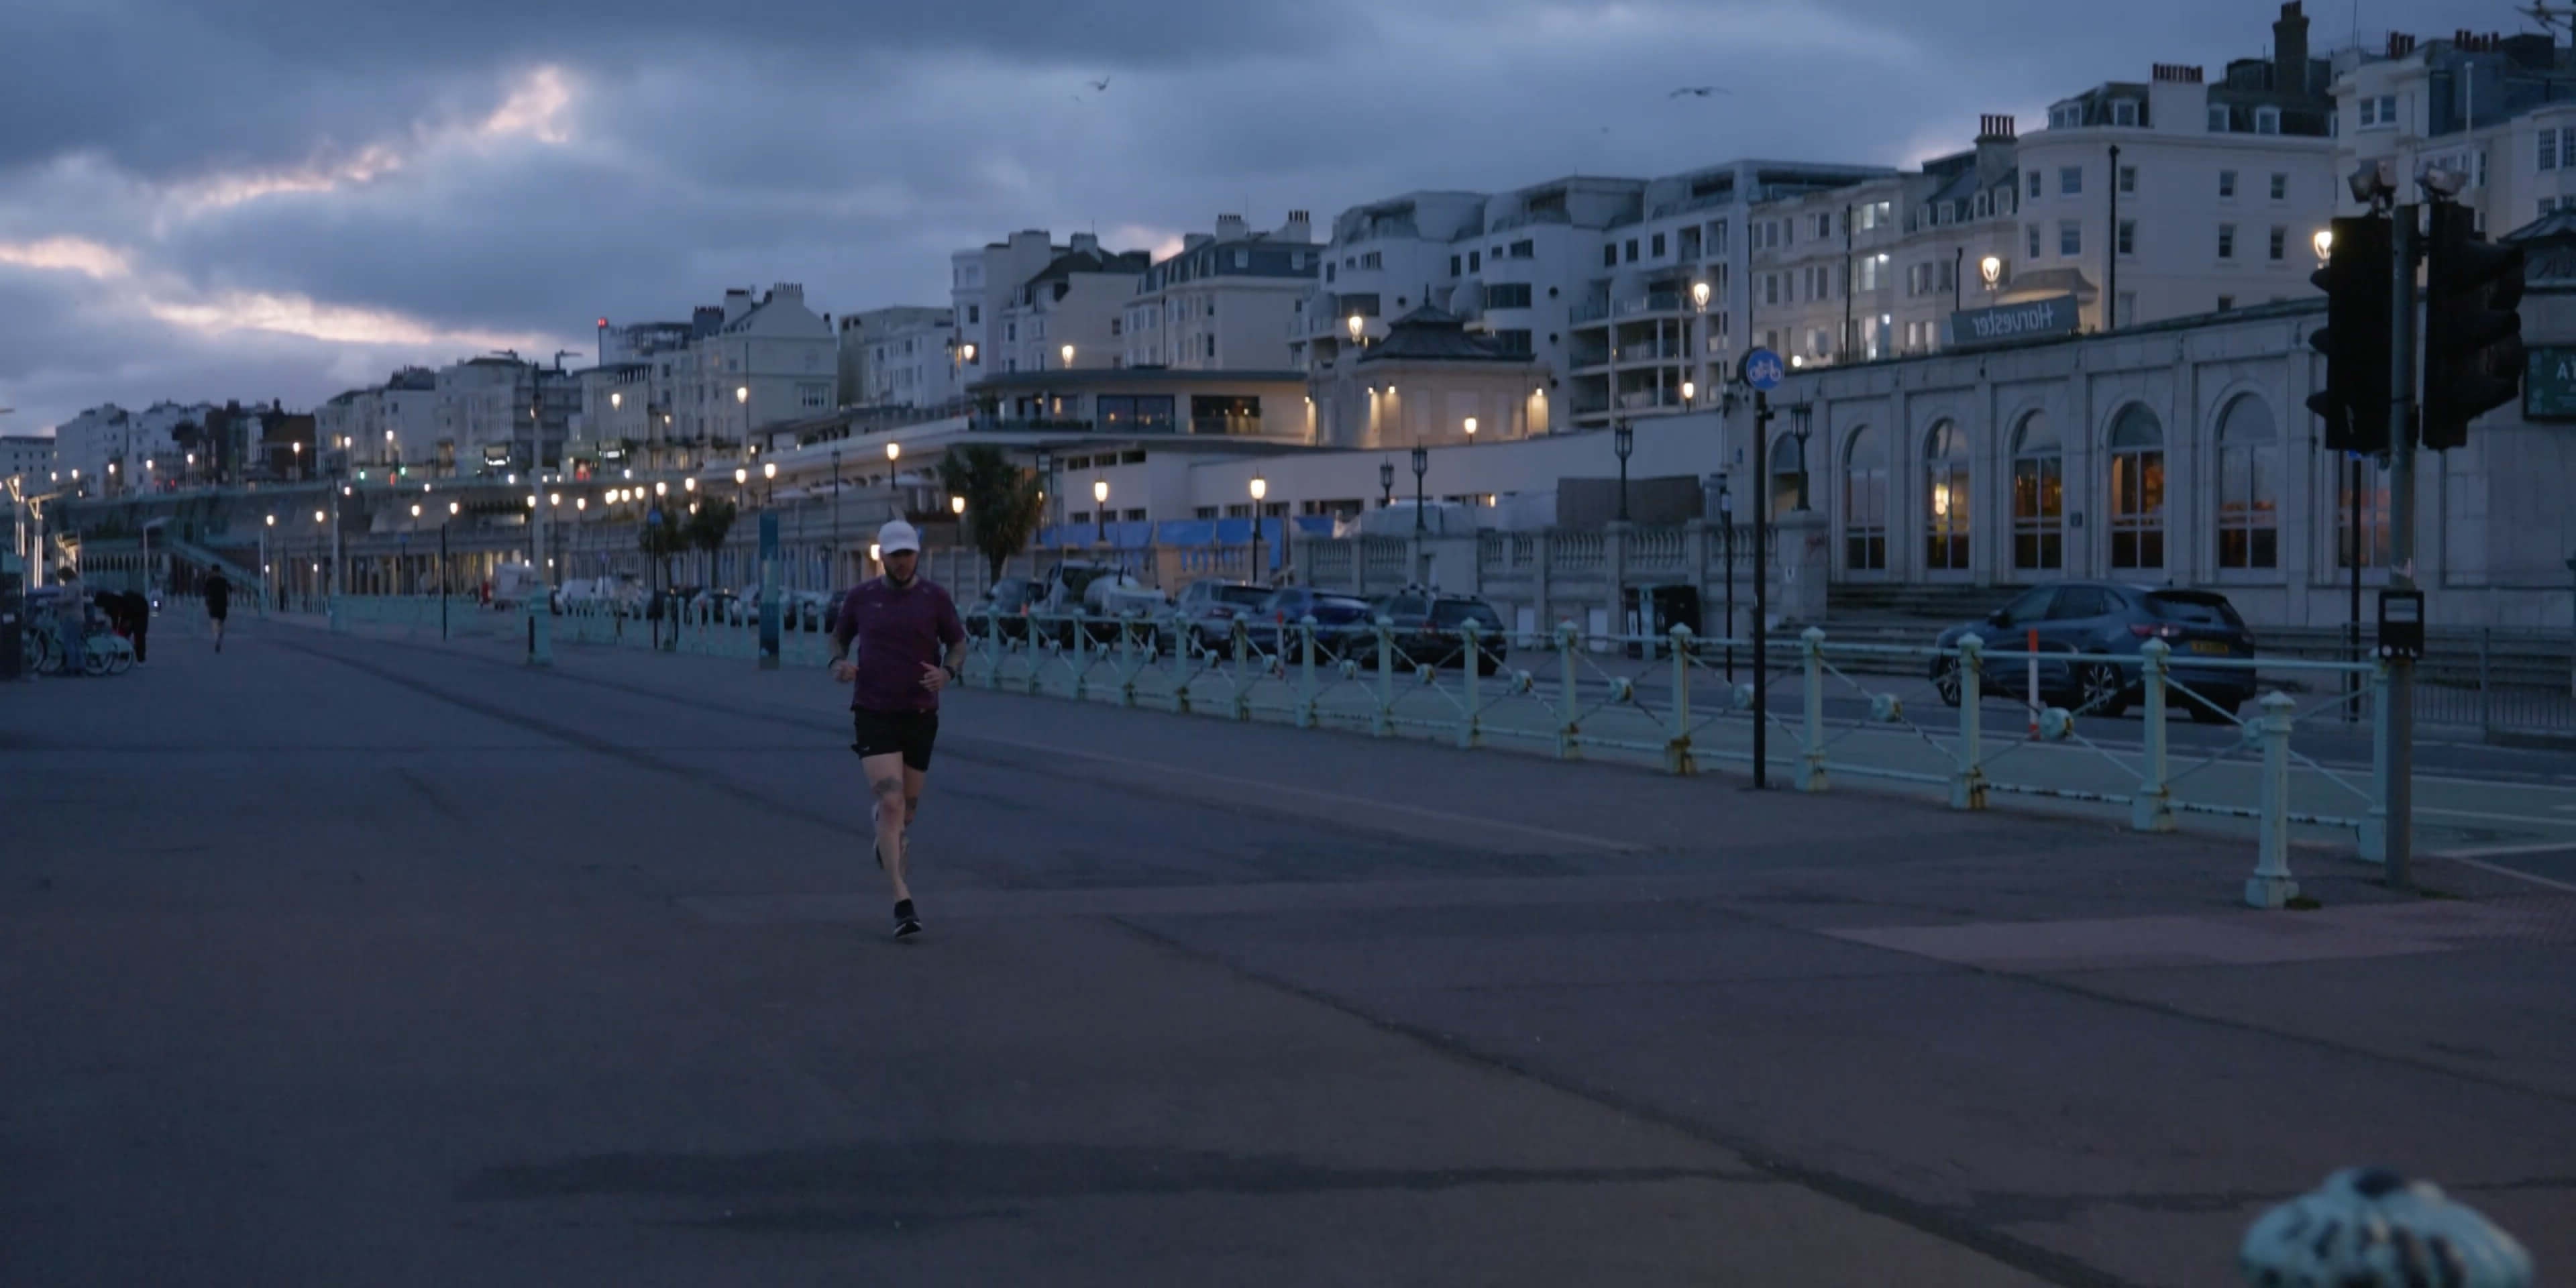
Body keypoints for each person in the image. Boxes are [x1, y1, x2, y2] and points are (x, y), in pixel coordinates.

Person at [828, 519, 966, 940]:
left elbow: (958, 644)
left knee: (906, 811)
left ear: (917, 555)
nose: (903, 562)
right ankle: (902, 902)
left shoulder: (934, 598)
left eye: (908, 554)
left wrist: (947, 672)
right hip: (873, 709)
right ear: (882, 556)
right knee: (890, 805)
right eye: (895, 555)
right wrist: (838, 665)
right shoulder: (862, 598)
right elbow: (838, 639)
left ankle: (888, 839)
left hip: (920, 712)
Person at [53, 566, 85, 677]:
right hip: (77, 617)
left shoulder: (71, 585)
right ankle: (80, 667)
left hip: (71, 617)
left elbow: (70, 599)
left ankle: (70, 667)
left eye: (61, 576)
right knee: (76, 643)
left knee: (69, 643)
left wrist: (55, 601)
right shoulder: (76, 584)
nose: (61, 579)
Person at [203, 568, 231, 653]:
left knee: (214, 622)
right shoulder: (224, 580)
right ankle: (220, 637)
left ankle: (216, 639)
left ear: (213, 572)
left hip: (213, 603)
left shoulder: (209, 581)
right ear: (220, 572)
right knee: (222, 623)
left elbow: (204, 592)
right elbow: (230, 589)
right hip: (223, 604)